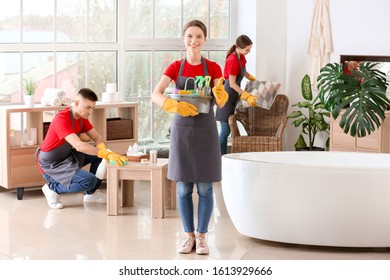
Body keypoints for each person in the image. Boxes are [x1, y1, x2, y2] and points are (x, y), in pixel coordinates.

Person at [151, 20, 228, 255]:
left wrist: (220, 92)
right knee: (183, 189)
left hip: (205, 132)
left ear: (205, 40)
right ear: (183, 38)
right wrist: (171, 105)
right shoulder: (175, 67)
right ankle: (188, 237)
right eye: (189, 36)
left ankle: (203, 237)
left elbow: (222, 102)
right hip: (182, 132)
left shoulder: (214, 68)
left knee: (205, 189)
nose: (193, 41)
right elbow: (155, 94)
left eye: (198, 37)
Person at [38, 88, 128, 209]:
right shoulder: (62, 119)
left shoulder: (82, 119)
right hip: (51, 165)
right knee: (89, 181)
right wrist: (104, 153)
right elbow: (79, 146)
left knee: (100, 157)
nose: (90, 111)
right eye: (87, 107)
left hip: (67, 157)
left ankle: (91, 194)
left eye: (92, 108)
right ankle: (52, 189)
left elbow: (98, 138)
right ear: (76, 103)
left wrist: (105, 151)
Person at [216, 35, 258, 155]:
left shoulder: (241, 56)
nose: (249, 52)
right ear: (239, 48)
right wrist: (246, 95)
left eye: (249, 49)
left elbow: (243, 71)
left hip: (234, 96)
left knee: (229, 127)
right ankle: (220, 157)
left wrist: (251, 78)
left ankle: (223, 156)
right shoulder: (232, 60)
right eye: (247, 49)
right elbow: (233, 84)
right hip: (227, 97)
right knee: (225, 130)